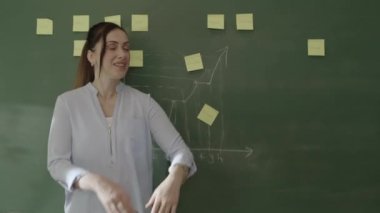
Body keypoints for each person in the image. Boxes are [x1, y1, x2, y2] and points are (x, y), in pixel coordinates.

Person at [47, 22, 196, 213]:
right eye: (112, 47)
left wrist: (174, 180)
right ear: (91, 56)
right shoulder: (68, 104)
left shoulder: (144, 104)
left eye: (126, 48)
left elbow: (182, 153)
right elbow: (57, 164)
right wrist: (96, 182)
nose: (123, 54)